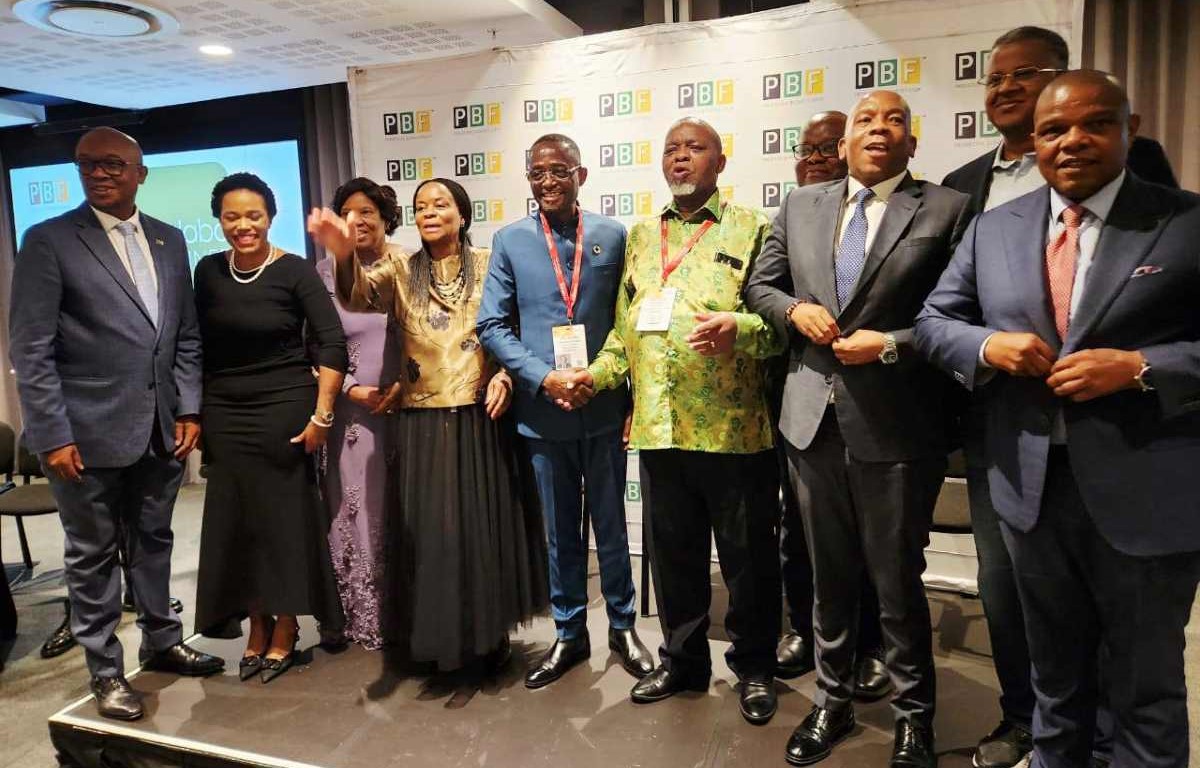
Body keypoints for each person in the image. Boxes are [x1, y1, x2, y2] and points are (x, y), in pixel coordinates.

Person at [916, 70, 1200, 768]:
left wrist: (1140, 367)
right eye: (1053, 130)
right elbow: (934, 322)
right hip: (1028, 490)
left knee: (1145, 688)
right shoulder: (993, 228)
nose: (1072, 141)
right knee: (1055, 679)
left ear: (1131, 130)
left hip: (1146, 493)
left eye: (1095, 123)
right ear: (1032, 143)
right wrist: (988, 346)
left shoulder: (1185, 221)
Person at [746, 91, 971, 768]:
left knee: (897, 582)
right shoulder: (800, 205)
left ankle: (914, 719)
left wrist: (892, 344)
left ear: (912, 143)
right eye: (866, 121)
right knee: (829, 576)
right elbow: (761, 286)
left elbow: (960, 316)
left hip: (897, 428)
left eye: (894, 120)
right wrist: (793, 312)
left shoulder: (947, 209)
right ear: (844, 144)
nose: (879, 129)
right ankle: (831, 702)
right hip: (811, 421)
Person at [566, 117, 783, 725]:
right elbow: (623, 334)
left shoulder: (754, 228)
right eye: (672, 149)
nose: (681, 157)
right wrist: (595, 377)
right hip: (660, 430)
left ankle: (755, 668)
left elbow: (780, 328)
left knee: (747, 562)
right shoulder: (642, 237)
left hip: (734, 432)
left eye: (695, 148)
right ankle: (684, 662)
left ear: (721, 161)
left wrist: (741, 330)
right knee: (675, 559)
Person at [9, 127, 223, 720]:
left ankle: (162, 640)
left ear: (140, 173)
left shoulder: (169, 239)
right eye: (87, 165)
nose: (98, 174)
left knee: (154, 541)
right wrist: (52, 434)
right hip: (83, 435)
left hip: (160, 430)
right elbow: (31, 349)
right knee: (92, 556)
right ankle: (105, 672)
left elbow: (183, 336)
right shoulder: (49, 240)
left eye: (111, 164)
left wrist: (188, 407)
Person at [308, 178, 549, 673]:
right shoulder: (401, 269)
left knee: (480, 531)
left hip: (481, 419)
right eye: (421, 207)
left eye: (441, 204)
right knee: (433, 535)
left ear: (462, 214)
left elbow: (517, 329)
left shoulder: (491, 262)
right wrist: (343, 253)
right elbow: (356, 297)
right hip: (420, 422)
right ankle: (442, 638)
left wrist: (506, 374)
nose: (429, 213)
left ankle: (489, 636)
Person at [476, 134, 652, 689]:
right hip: (543, 411)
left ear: (582, 174)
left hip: (602, 406)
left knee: (612, 527)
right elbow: (492, 325)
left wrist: (610, 386)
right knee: (560, 536)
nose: (547, 181)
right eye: (537, 173)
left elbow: (627, 321)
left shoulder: (613, 235)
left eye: (558, 170)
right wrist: (542, 376)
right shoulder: (510, 241)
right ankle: (570, 632)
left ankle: (623, 627)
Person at [193, 172, 347, 684]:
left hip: (284, 408)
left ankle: (286, 623)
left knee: (282, 523)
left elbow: (331, 343)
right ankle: (255, 623)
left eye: (253, 216)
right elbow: (197, 347)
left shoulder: (295, 271)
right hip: (224, 412)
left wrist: (322, 415)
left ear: (270, 218)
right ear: (219, 220)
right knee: (239, 524)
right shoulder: (207, 271)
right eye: (232, 217)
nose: (243, 226)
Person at [778, 109, 890, 704]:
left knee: (868, 542)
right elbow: (765, 291)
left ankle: (871, 647)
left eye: (827, 148)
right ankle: (804, 631)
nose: (816, 159)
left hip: (871, 406)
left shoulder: (886, 213)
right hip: (795, 401)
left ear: (847, 151)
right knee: (800, 534)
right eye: (807, 149)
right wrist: (792, 310)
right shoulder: (791, 214)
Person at [315, 177, 398, 650]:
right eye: (348, 212)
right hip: (350, 418)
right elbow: (310, 349)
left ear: (386, 217)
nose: (357, 220)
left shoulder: (409, 265)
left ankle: (409, 610)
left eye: (367, 211)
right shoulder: (323, 276)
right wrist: (351, 389)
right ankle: (358, 613)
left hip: (406, 412)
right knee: (356, 512)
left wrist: (402, 387)